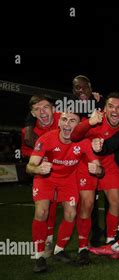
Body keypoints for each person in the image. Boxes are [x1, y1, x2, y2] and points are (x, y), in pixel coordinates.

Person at [27, 112, 104, 272]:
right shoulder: (46, 139)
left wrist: (97, 169)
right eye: (64, 119)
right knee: (41, 212)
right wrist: (39, 169)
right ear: (59, 123)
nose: (68, 124)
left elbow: (100, 170)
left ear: (78, 127)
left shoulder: (83, 142)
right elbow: (29, 166)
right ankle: (39, 255)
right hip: (45, 178)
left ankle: (59, 250)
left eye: (73, 121)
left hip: (68, 180)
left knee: (71, 214)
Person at [70, 93, 119, 263]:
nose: (115, 110)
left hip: (108, 165)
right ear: (105, 109)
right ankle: (82, 247)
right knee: (87, 204)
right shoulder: (94, 121)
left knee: (116, 201)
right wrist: (88, 122)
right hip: (86, 165)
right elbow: (74, 136)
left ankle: (111, 241)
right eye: (111, 106)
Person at [21, 95, 61, 258]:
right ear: (32, 113)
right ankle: (43, 247)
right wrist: (38, 156)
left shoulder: (63, 119)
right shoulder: (27, 131)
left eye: (45, 107)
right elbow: (25, 151)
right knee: (42, 210)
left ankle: (80, 245)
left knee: (71, 210)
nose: (42, 112)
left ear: (53, 108)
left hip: (66, 172)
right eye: (37, 109)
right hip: (43, 172)